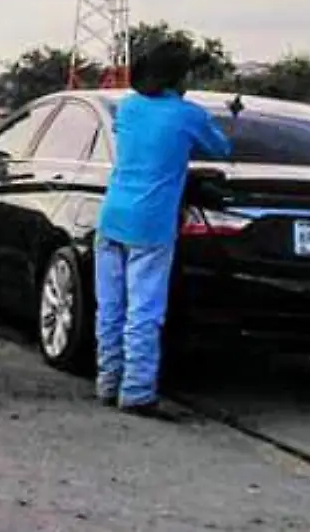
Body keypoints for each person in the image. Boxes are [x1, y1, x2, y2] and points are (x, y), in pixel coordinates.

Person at [95, 39, 232, 418]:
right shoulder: (188, 114)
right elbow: (221, 150)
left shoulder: (128, 108)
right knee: (144, 310)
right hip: (152, 225)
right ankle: (136, 392)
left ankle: (107, 382)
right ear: (179, 77)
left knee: (110, 306)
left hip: (112, 216)